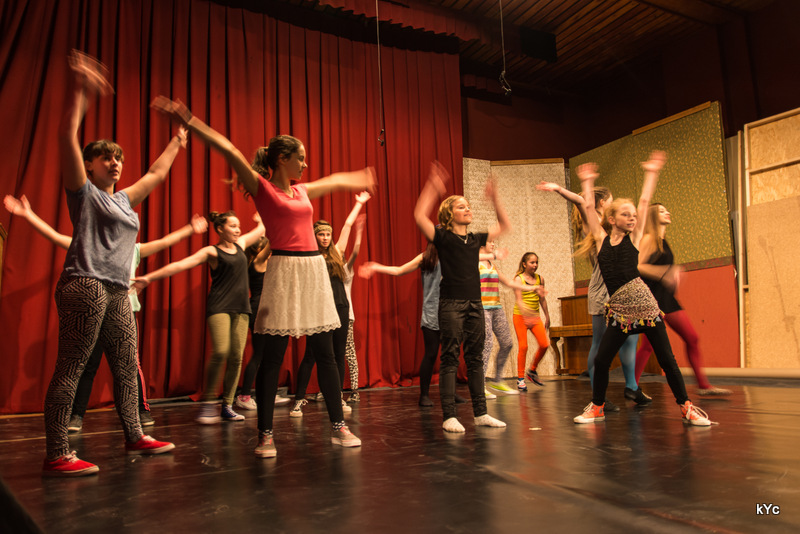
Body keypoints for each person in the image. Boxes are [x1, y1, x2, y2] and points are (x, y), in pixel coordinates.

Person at [151, 96, 375, 457]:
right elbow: (228, 149)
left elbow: (333, 181)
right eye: (300, 157)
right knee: (273, 356)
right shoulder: (262, 187)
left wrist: (356, 178)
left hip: (313, 270)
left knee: (325, 353)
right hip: (283, 270)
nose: (305, 163)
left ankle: (338, 426)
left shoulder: (302, 190)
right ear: (282, 158)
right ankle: (265, 433)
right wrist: (189, 120)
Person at [43, 51, 176, 477]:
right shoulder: (82, 191)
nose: (115, 162)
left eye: (118, 157)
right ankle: (57, 453)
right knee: (73, 367)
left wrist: (178, 139)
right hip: (84, 283)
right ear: (90, 164)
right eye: (106, 157)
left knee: (125, 364)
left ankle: (135, 434)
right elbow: (66, 134)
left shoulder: (123, 199)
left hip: (119, 288)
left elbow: (156, 175)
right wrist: (81, 91)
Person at [3, 194, 206, 429]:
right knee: (88, 363)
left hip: (124, 311)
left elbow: (164, 242)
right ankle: (76, 415)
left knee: (130, 364)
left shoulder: (133, 250)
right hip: (95, 310)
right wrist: (28, 214)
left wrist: (189, 229)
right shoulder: (88, 247)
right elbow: (56, 236)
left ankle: (141, 410)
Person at [569, 153, 712, 426]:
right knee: (602, 360)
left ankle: (687, 407)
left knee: (667, 360)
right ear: (612, 219)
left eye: (634, 215)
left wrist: (651, 172)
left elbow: (645, 201)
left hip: (645, 308)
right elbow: (587, 208)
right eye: (626, 214)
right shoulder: (600, 239)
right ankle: (597, 407)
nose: (632, 218)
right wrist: (587, 182)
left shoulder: (634, 239)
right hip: (620, 312)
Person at [133, 211, 265, 424]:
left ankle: (227, 405)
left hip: (242, 309)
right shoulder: (211, 251)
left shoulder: (241, 244)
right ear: (220, 229)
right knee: (221, 351)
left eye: (239, 226)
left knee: (236, 357)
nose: (238, 230)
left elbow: (261, 229)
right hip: (220, 307)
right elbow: (181, 264)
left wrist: (260, 218)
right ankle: (208, 403)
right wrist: (148, 278)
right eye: (232, 226)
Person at [413, 162, 509, 433]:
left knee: (475, 358)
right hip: (451, 305)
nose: (468, 209)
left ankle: (481, 414)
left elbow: (504, 225)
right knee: (450, 357)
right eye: (461, 207)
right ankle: (449, 416)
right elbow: (419, 215)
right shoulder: (443, 237)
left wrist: (495, 198)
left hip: (476, 304)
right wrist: (432, 187)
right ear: (449, 214)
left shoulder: (476, 239)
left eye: (469, 206)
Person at [537, 181, 644, 408]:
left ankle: (632, 387)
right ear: (603, 203)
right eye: (612, 201)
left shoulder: (615, 224)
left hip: (622, 287)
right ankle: (599, 395)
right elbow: (580, 202)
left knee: (630, 338)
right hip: (603, 289)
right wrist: (559, 188)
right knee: (600, 343)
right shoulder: (594, 223)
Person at [634, 203, 732, 396]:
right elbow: (638, 267)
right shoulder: (649, 239)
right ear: (653, 216)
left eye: (666, 210)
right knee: (648, 346)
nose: (667, 212)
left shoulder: (663, 241)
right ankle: (632, 387)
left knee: (691, 338)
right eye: (662, 211)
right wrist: (665, 272)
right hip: (653, 299)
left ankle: (703, 386)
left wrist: (671, 274)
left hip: (667, 298)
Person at [289, 214, 365, 417]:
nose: (325, 238)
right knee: (311, 355)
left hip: (340, 307)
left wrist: (359, 204)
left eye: (328, 234)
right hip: (319, 309)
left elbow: (347, 226)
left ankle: (337, 397)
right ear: (314, 236)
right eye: (321, 234)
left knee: (339, 355)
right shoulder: (310, 255)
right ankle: (298, 400)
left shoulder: (337, 253)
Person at [234, 237, 292, 411]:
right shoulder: (257, 263)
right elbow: (271, 245)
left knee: (269, 356)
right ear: (258, 250)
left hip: (270, 311)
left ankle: (267, 393)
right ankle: (244, 396)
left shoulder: (267, 264)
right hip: (259, 310)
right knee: (259, 354)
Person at [478, 240, 522, 396]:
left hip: (496, 307)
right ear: (481, 244)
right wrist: (495, 255)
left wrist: (531, 287)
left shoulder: (492, 264)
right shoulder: (475, 262)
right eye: (490, 241)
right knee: (487, 344)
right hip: (482, 308)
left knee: (507, 343)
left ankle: (497, 380)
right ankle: (480, 385)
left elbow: (508, 282)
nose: (493, 244)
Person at [511, 252, 551, 391]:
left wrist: (547, 316)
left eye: (536, 262)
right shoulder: (518, 279)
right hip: (520, 316)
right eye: (532, 262)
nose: (535, 265)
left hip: (535, 317)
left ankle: (532, 371)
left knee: (545, 344)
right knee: (523, 346)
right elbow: (519, 300)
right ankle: (520, 379)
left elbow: (542, 299)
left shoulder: (540, 279)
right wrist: (526, 315)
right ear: (524, 264)